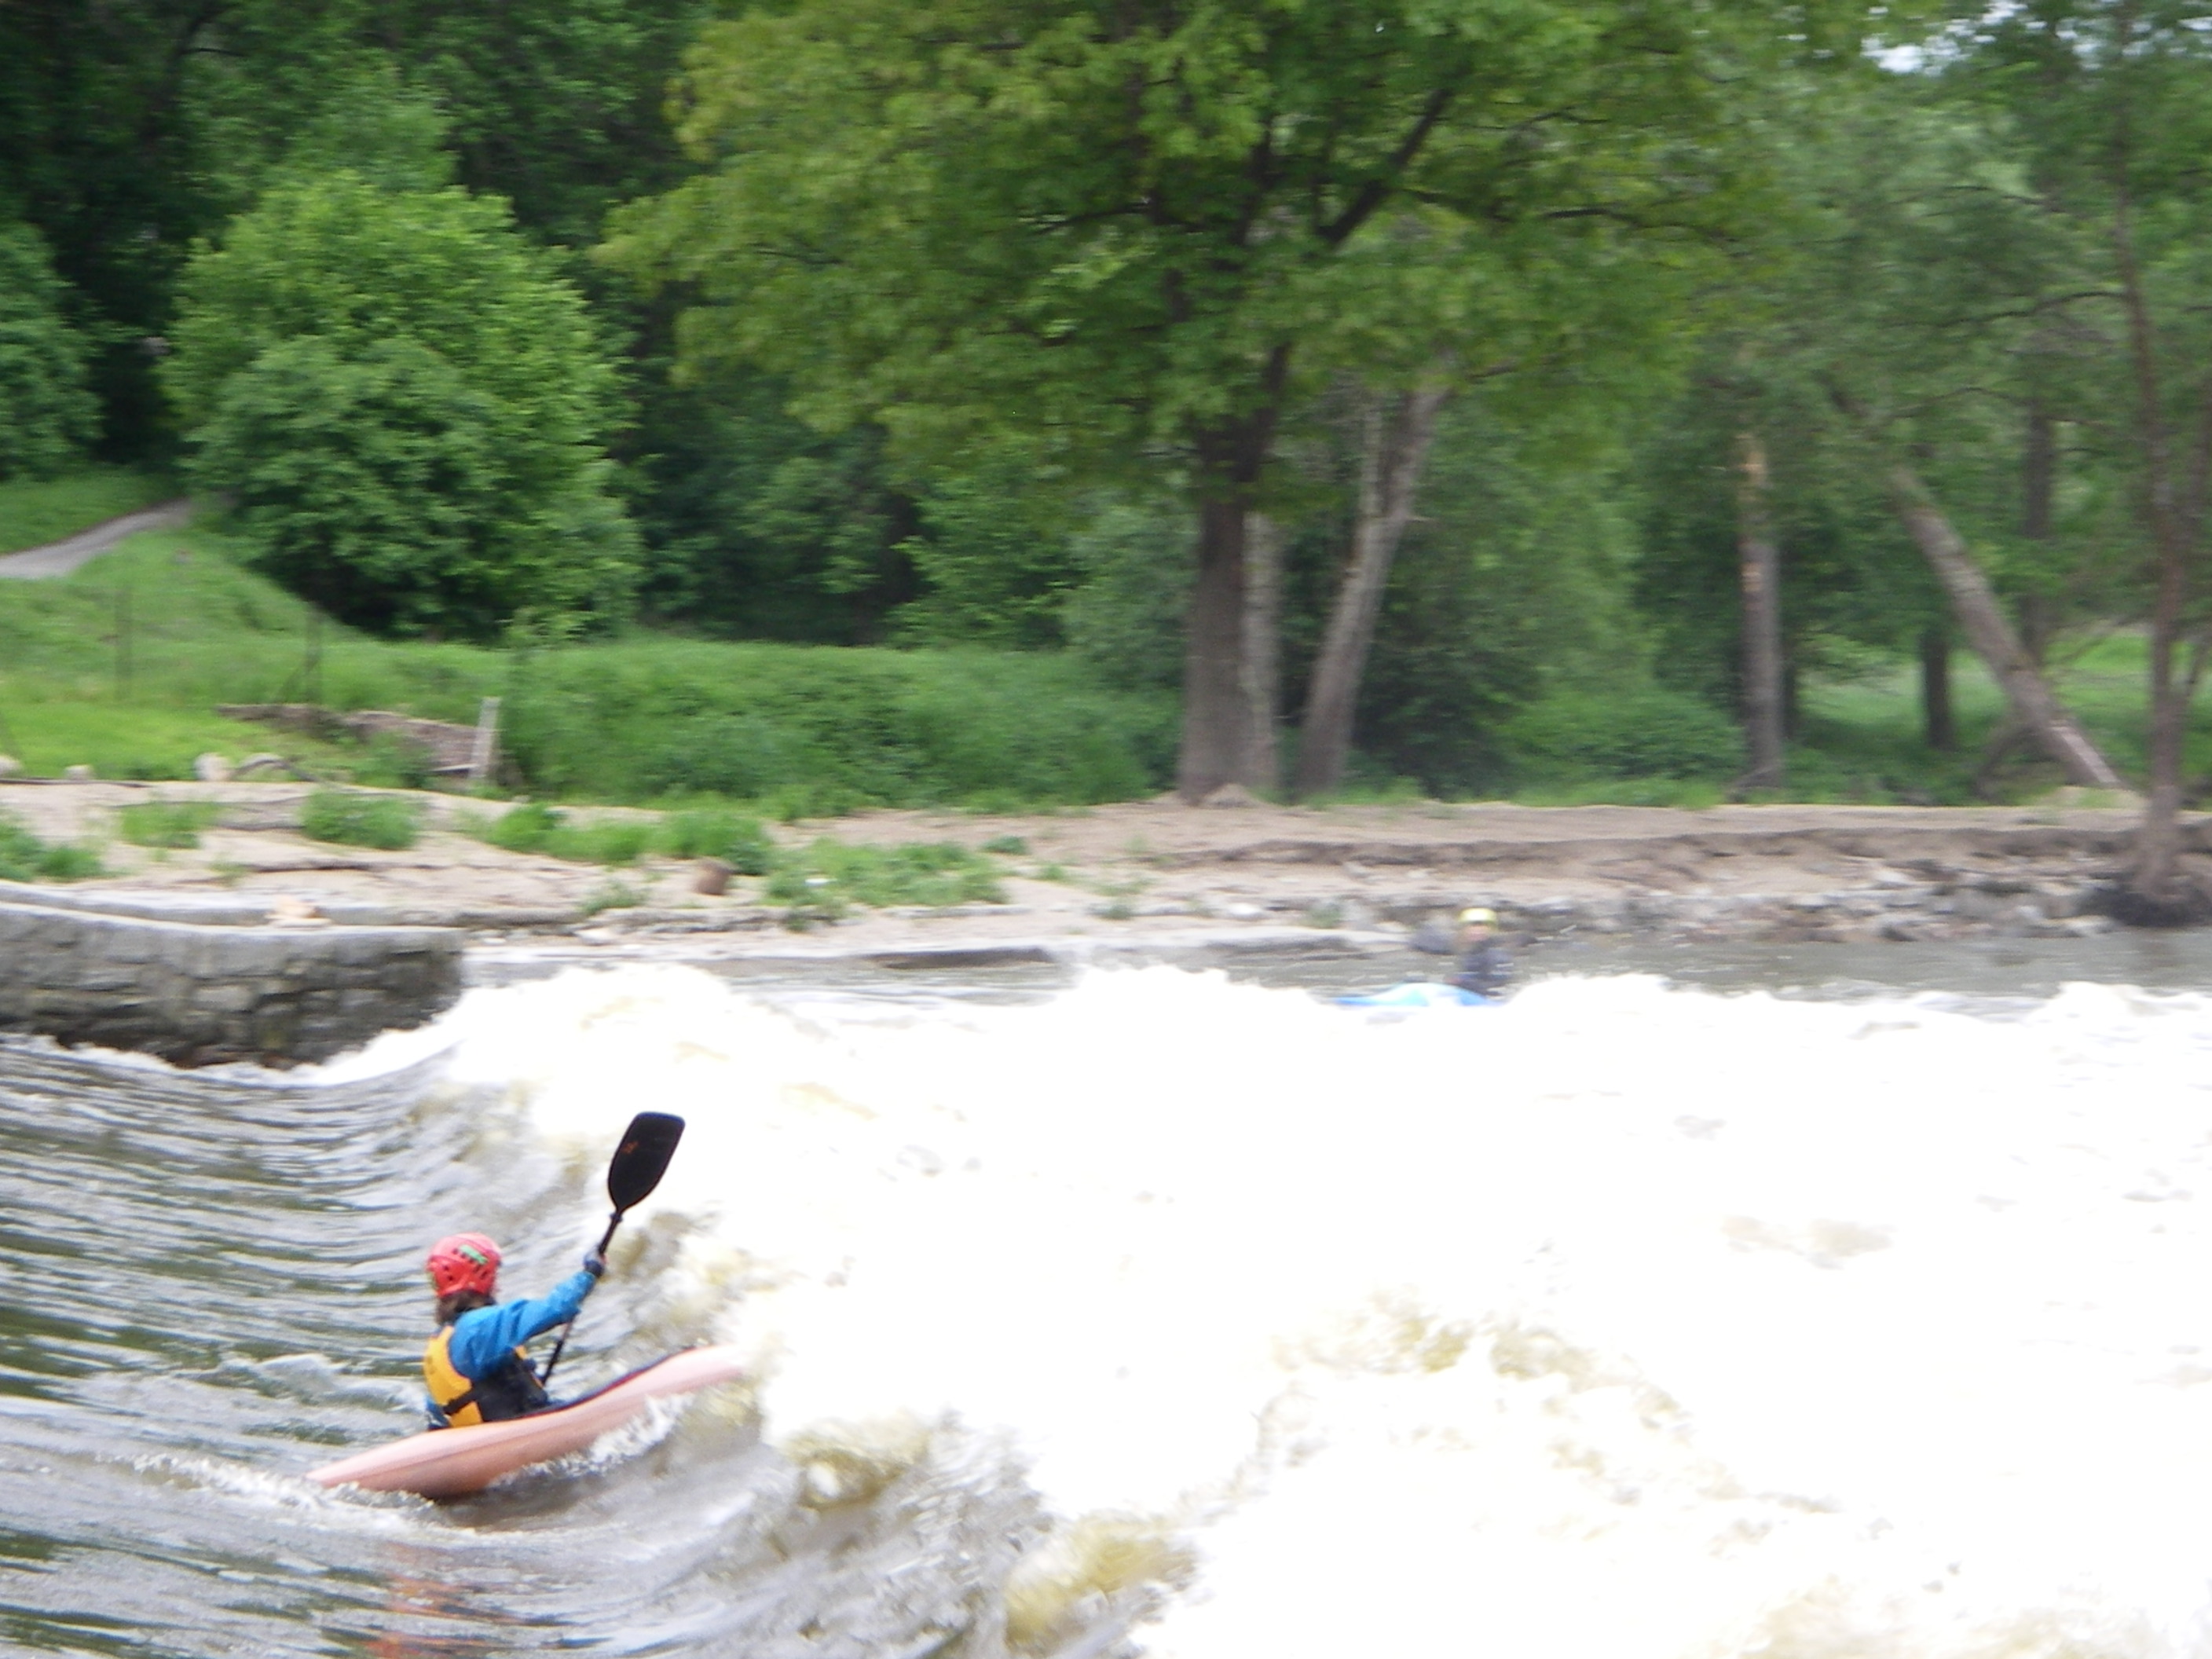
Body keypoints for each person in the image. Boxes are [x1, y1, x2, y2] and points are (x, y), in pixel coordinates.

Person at [421, 1232, 604, 1428]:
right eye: (494, 1277)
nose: (498, 1287)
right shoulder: (478, 1326)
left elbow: (438, 1416)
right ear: (480, 1279)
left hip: (483, 1434)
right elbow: (556, 1308)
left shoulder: (441, 1341)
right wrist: (590, 1273)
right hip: (519, 1429)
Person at [1452, 906, 1512, 998]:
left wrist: (1462, 983)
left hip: (1490, 1000)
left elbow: (1497, 986)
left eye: (1481, 927)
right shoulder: (1471, 953)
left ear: (1491, 930)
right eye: (1472, 927)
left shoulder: (1498, 956)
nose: (1476, 931)